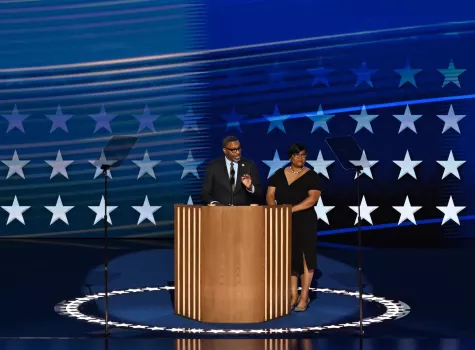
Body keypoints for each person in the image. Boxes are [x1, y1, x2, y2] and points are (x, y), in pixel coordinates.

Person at [266, 143, 322, 312]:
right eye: (297, 155)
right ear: (290, 157)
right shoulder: (279, 174)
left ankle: (304, 296)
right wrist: (275, 211)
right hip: (284, 221)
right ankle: (293, 295)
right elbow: (270, 195)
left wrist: (289, 210)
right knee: (291, 257)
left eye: (303, 155)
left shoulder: (312, 176)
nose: (300, 158)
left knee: (306, 257)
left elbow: (312, 199)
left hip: (305, 221)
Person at [201, 136, 262, 206]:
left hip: (244, 213)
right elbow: (205, 192)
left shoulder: (249, 165)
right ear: (225, 150)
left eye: (239, 149)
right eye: (233, 150)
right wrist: (213, 203)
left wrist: (250, 187)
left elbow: (259, 192)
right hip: (220, 212)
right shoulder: (214, 166)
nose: (238, 152)